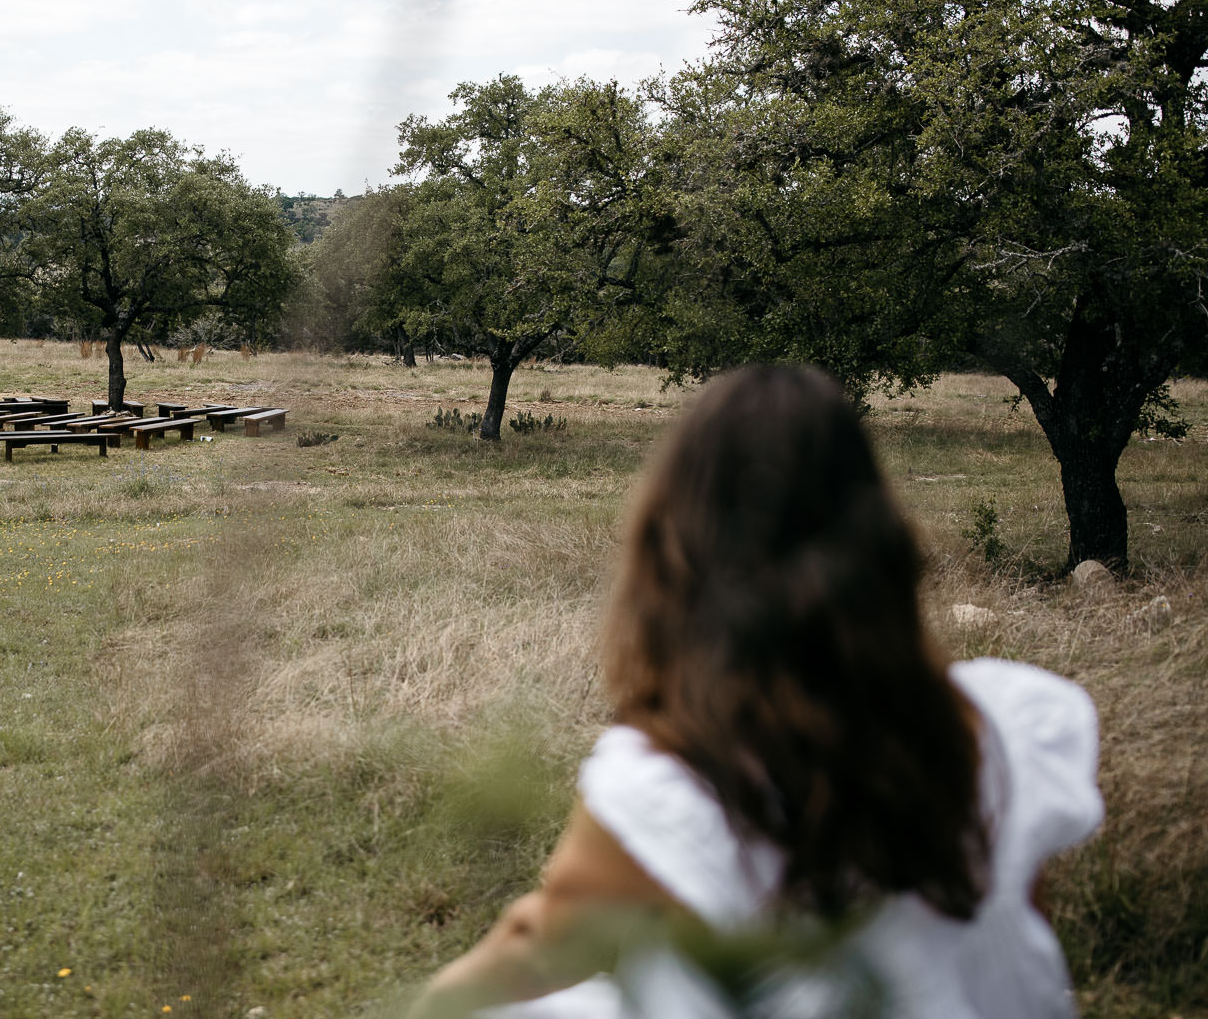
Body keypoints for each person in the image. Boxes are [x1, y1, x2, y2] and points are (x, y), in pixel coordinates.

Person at [411, 366, 1103, 1019]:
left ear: (673, 549)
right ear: (881, 539)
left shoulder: (677, 775)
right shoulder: (1001, 727)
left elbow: (538, 948)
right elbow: (1014, 935)